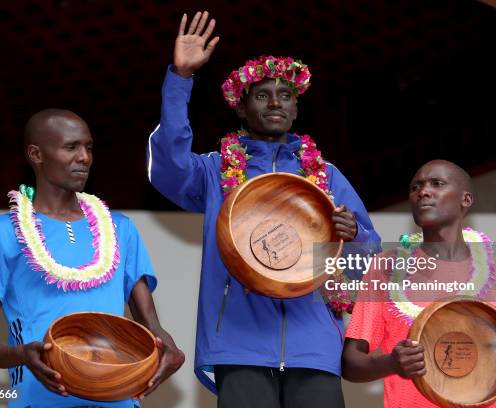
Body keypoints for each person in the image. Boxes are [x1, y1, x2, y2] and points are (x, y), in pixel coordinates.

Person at [147, 11, 381, 408]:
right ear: (241, 108)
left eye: (285, 96)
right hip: (239, 340)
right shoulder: (215, 169)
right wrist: (180, 79)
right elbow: (167, 165)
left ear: (295, 108)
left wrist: (352, 234)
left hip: (314, 341)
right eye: (262, 95)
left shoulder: (326, 175)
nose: (275, 103)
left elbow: (368, 257)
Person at [0, 109, 184, 407]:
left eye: (89, 147)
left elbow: (153, 328)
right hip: (40, 398)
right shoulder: (3, 231)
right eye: (71, 147)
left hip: (117, 398)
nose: (84, 157)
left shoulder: (120, 228)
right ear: (36, 154)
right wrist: (23, 355)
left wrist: (170, 351)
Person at [342, 159, 496, 408]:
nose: (423, 192)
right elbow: (350, 363)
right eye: (415, 188)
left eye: (436, 184)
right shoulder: (386, 267)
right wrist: (391, 363)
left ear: (466, 200)